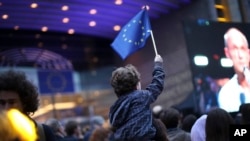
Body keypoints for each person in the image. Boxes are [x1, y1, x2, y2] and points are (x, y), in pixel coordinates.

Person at [109, 54, 165, 140]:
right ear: (136, 85)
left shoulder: (114, 109)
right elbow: (157, 85)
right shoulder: (140, 96)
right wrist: (158, 65)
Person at [0, 70, 56, 141]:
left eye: (12, 102)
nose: (6, 108)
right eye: (2, 103)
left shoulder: (43, 132)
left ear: (24, 103)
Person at [218, 27, 250, 113]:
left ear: (248, 53)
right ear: (227, 53)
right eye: (235, 48)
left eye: (242, 48)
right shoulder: (225, 94)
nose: (240, 55)